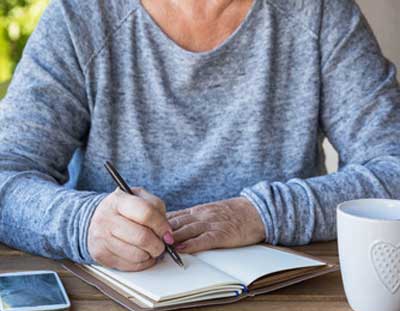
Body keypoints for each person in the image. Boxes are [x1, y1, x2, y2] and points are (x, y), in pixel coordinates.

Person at [0, 0, 399, 272]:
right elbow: (7, 174)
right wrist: (84, 224)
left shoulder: (320, 12)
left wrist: (261, 213)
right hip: (112, 306)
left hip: (288, 302)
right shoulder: (81, 17)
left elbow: (393, 168)